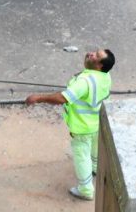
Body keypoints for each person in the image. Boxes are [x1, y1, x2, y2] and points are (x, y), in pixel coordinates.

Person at [26, 48, 115, 201]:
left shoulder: (85, 82)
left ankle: (85, 189)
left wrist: (38, 98)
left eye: (96, 56)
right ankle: (95, 168)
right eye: (95, 52)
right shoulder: (105, 76)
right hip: (95, 122)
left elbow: (63, 98)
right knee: (94, 151)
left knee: (81, 156)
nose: (91, 53)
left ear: (100, 65)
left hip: (81, 127)